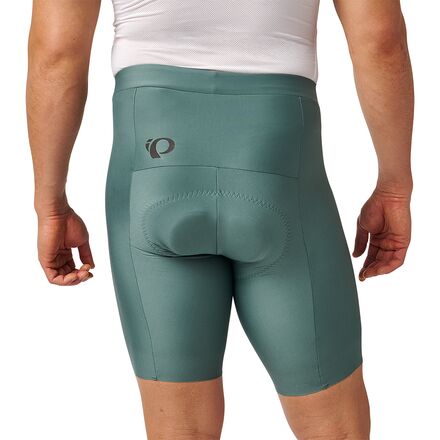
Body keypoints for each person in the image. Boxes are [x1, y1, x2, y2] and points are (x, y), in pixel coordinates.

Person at [26, 0, 413, 438]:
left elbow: (55, 54)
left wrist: (50, 204)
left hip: (153, 173)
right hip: (279, 170)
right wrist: (394, 186)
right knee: (335, 427)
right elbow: (381, 41)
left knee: (180, 430)